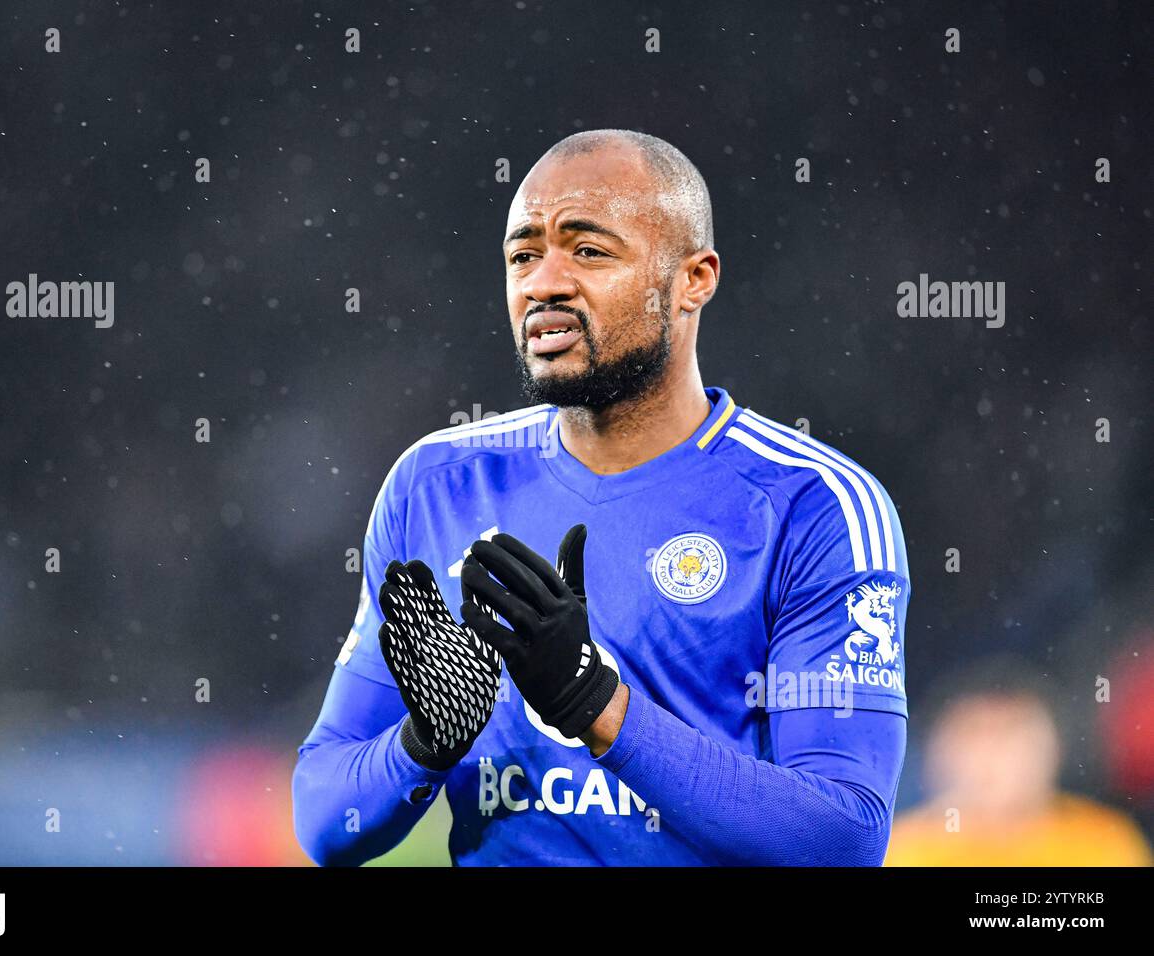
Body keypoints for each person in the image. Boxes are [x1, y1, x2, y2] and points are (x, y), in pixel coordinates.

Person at [292, 129, 910, 865]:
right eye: (524, 255)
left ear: (694, 279)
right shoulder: (438, 484)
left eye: (587, 251)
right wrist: (421, 744)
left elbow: (843, 838)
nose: (543, 282)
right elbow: (325, 821)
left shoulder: (812, 505)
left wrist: (594, 704)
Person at [886, 683, 1151, 866]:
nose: (992, 761)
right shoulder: (904, 850)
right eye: (974, 738)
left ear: (1052, 752)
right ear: (938, 756)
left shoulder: (1103, 844)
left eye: (1010, 739)